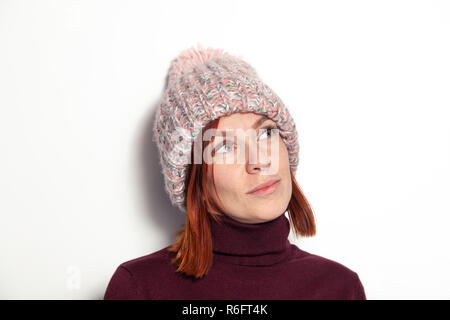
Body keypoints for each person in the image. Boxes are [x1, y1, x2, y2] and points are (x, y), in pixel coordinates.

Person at [103, 44, 366, 300]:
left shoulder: (340, 288)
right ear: (194, 179)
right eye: (226, 146)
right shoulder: (140, 288)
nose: (260, 161)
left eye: (266, 132)